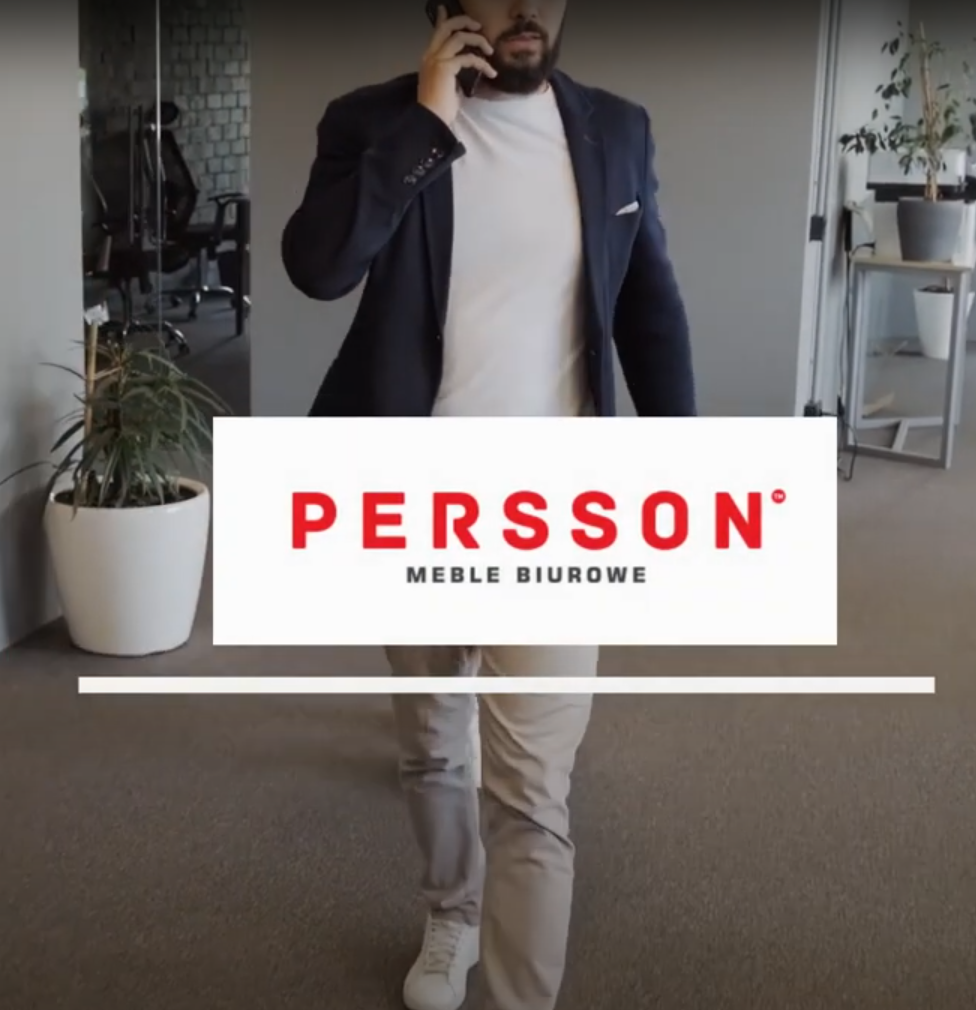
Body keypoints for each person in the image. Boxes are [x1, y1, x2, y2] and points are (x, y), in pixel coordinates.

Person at [281, 2, 696, 1008]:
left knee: (532, 791)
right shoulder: (373, 121)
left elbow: (647, 303)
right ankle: (451, 912)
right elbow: (318, 267)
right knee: (434, 740)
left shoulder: (617, 128)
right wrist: (427, 124)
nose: (525, 9)